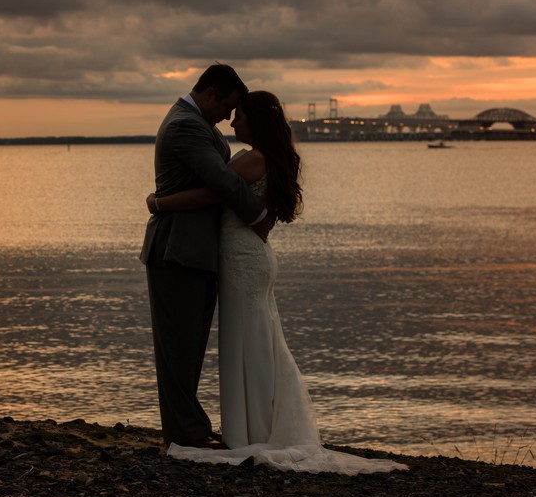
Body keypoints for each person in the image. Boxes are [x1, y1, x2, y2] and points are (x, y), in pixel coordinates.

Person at [147, 91, 407, 474]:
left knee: (249, 341)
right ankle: (258, 425)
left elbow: (209, 193)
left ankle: (254, 430)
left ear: (256, 121)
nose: (233, 123)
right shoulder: (269, 158)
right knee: (259, 340)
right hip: (253, 258)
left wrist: (159, 203)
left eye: (240, 116)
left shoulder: (253, 159)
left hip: (242, 262)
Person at [140, 64, 274, 449]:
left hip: (196, 250)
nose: (229, 118)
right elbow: (221, 181)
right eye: (228, 106)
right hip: (177, 248)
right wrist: (260, 214)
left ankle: (190, 429)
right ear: (211, 92)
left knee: (190, 345)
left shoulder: (200, 125)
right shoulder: (186, 125)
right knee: (178, 348)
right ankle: (185, 435)